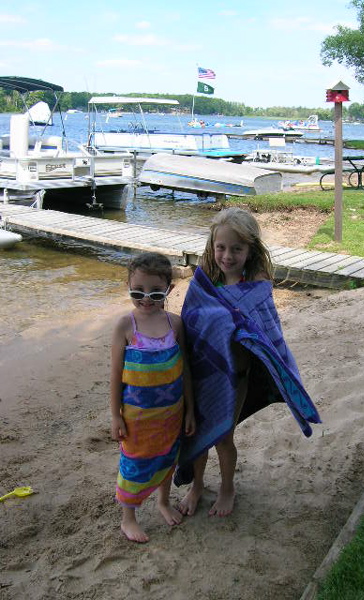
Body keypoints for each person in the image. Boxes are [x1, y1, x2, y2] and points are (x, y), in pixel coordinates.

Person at [177, 207, 320, 518]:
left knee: (224, 436)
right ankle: (197, 484)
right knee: (198, 433)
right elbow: (192, 322)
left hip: (236, 376)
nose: (227, 255)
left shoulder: (256, 284)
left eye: (237, 249)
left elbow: (267, 333)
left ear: (250, 249)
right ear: (212, 246)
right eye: (221, 247)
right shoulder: (206, 280)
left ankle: (227, 486)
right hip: (203, 372)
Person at [110, 252, 195, 543]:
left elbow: (184, 371)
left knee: (166, 459)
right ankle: (128, 517)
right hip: (136, 417)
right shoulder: (125, 325)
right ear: (128, 287)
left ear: (169, 289)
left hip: (171, 414)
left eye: (155, 292)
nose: (146, 298)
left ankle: (163, 501)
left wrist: (190, 411)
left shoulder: (175, 324)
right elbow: (115, 375)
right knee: (134, 463)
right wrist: (115, 415)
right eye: (138, 292)